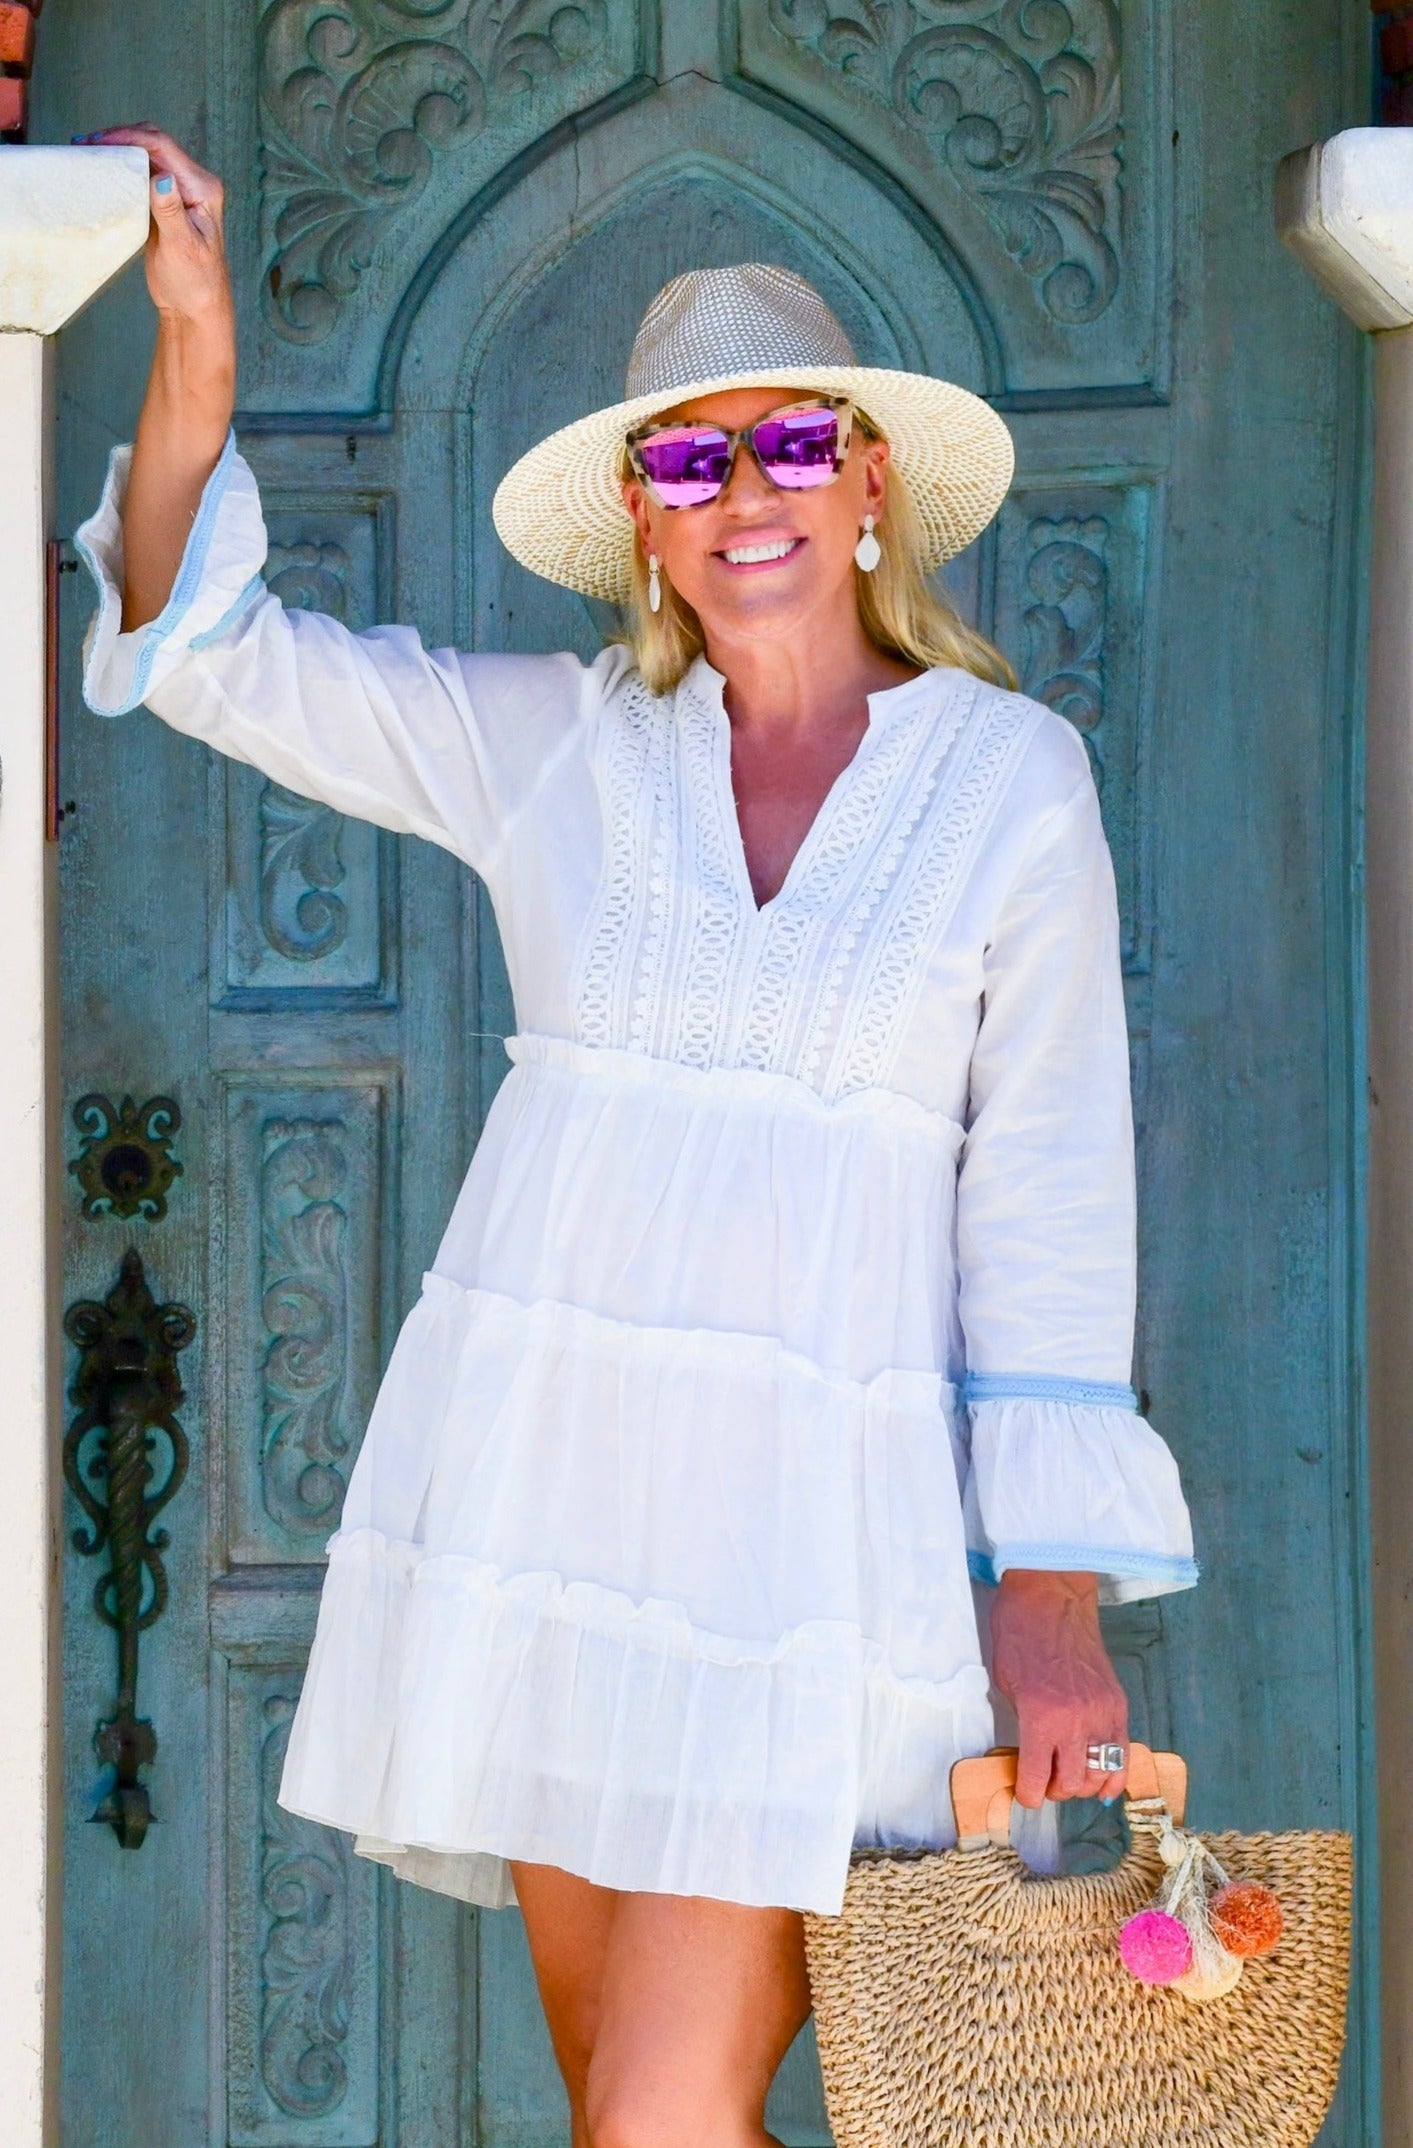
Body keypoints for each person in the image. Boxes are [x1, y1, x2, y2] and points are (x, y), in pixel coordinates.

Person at [77, 125, 1196, 2148]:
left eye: (790, 444)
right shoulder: (563, 749)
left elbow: (1047, 1188)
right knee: (631, 2116)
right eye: (688, 460)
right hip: (550, 1525)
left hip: (817, 1557)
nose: (743, 492)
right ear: (640, 517)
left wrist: (1048, 1601)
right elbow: (207, 656)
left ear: (870, 480)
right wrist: (197, 349)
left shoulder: (1010, 782)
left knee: (653, 2123)